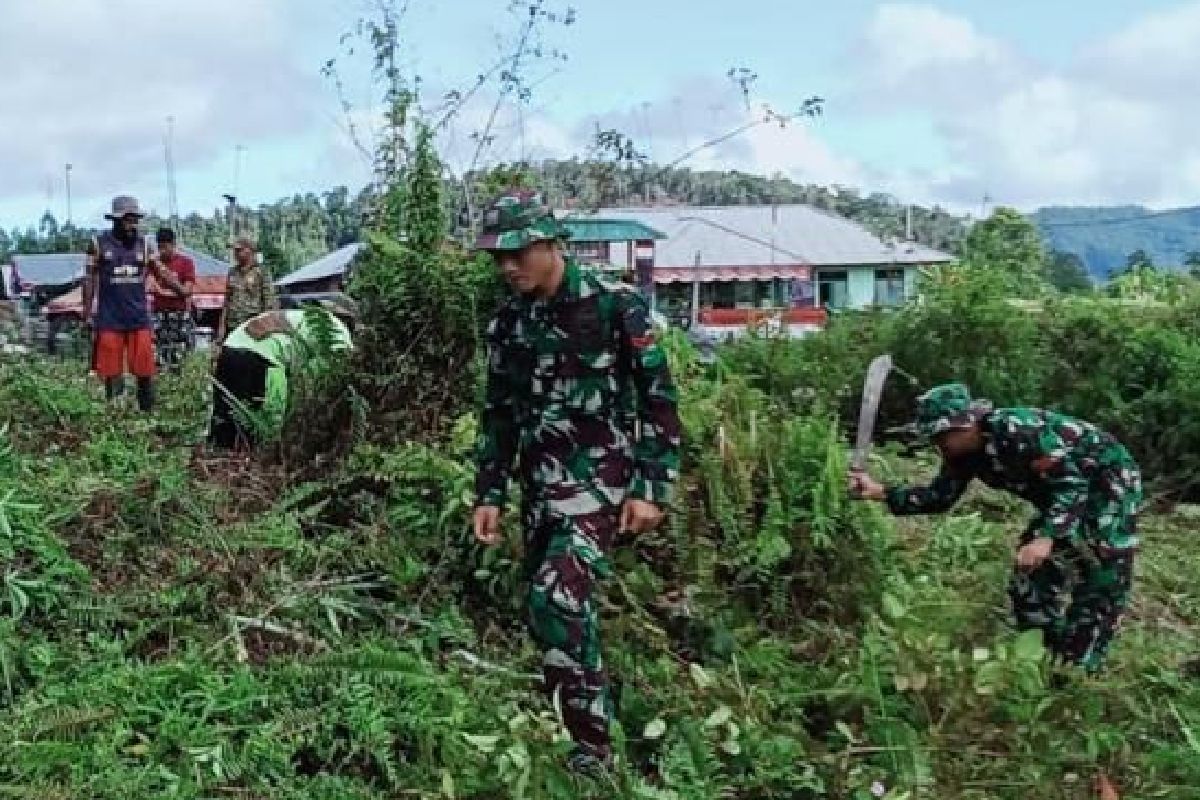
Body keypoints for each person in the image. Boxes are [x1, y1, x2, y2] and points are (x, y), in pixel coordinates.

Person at [470, 189, 682, 773]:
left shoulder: (616, 308)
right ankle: (589, 714)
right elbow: (500, 413)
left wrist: (651, 487)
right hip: (540, 491)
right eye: (498, 258)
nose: (508, 267)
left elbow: (659, 401)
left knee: (555, 598)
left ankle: (594, 754)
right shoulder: (508, 322)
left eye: (519, 253)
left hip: (600, 486)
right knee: (554, 609)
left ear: (550, 243)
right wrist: (489, 492)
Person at [848, 383, 1142, 676]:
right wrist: (879, 492)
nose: (939, 445)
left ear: (967, 424)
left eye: (942, 435)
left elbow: (1072, 484)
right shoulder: (961, 455)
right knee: (1029, 574)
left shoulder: (1018, 431)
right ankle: (1045, 655)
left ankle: (1081, 668)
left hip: (1105, 481)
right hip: (1060, 499)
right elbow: (939, 498)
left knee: (1103, 571)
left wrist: (1047, 537)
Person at [82, 196, 187, 412]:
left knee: (144, 369)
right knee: (112, 371)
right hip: (110, 319)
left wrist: (181, 291)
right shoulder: (98, 244)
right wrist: (86, 312)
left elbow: (162, 273)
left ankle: (147, 412)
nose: (132, 225)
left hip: (138, 318)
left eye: (135, 220)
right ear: (116, 220)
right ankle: (116, 411)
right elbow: (89, 278)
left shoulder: (144, 245)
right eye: (128, 220)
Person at [207, 296, 354, 450]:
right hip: (260, 358)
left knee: (223, 416)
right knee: (253, 423)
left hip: (230, 347)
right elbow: (325, 376)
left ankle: (215, 457)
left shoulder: (299, 316)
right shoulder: (339, 330)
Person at [217, 237, 277, 346]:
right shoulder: (232, 272)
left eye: (239, 250)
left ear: (250, 250)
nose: (235, 254)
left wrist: (266, 327)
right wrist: (221, 327)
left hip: (252, 326)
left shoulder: (262, 272)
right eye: (234, 251)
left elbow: (269, 303)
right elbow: (227, 301)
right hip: (233, 326)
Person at [151, 227, 196, 369]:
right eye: (159, 247)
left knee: (181, 354)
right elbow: (150, 286)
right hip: (159, 315)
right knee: (160, 353)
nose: (162, 251)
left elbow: (187, 291)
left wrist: (164, 288)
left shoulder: (186, 262)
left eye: (165, 247)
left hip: (180, 315)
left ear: (173, 244)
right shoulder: (153, 264)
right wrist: (174, 292)